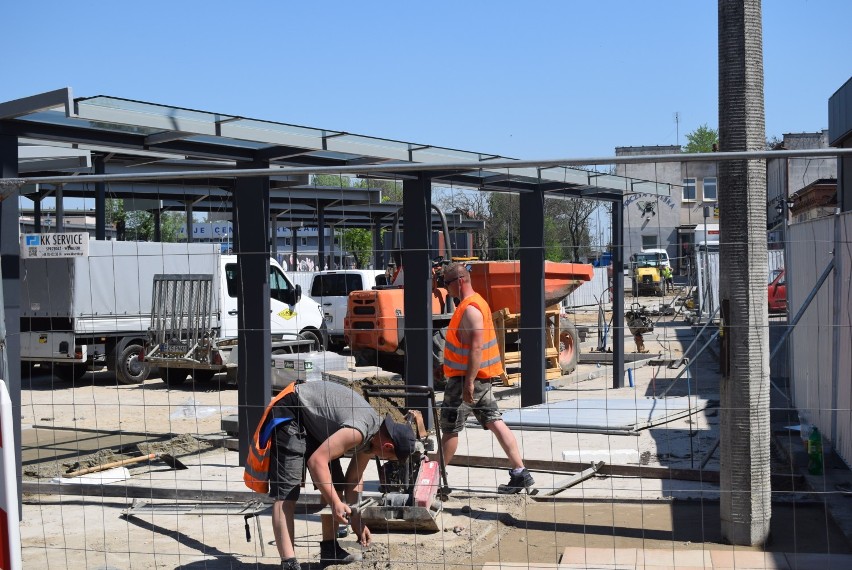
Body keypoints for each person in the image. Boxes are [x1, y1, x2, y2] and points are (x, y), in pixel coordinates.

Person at [245, 380, 417, 570]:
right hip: (293, 410)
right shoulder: (360, 430)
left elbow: (353, 479)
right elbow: (316, 461)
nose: (385, 460)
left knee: (335, 486)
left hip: (316, 424)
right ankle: (289, 563)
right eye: (390, 458)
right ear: (388, 446)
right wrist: (336, 503)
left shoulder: (373, 438)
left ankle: (329, 550)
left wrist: (357, 521)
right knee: (287, 493)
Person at [439, 262, 535, 495]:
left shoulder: (471, 309)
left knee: (450, 429)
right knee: (494, 420)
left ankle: (434, 480)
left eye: (447, 284)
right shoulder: (475, 303)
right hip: (477, 378)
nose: (445, 289)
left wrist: (469, 383)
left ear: (460, 282)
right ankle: (520, 472)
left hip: (466, 380)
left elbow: (475, 349)